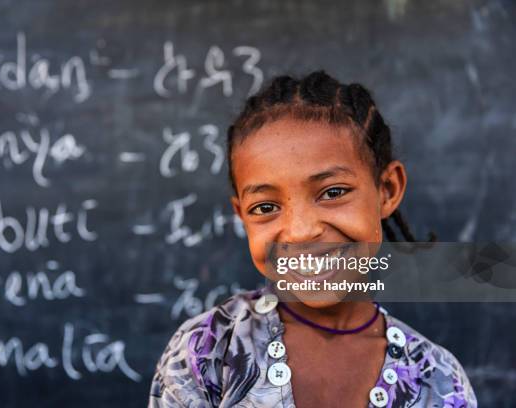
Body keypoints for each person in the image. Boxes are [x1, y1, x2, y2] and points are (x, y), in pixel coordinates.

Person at [148, 71, 477, 407]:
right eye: (265, 207)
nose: (301, 231)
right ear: (242, 215)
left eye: (332, 192)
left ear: (387, 190)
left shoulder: (436, 379)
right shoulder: (206, 352)